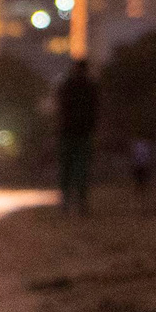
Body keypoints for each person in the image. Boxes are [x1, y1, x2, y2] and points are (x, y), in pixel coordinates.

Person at [54, 60, 97, 216]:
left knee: (70, 169)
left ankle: (69, 203)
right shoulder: (89, 87)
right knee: (79, 169)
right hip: (80, 133)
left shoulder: (68, 86)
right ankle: (78, 203)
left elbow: (60, 109)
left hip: (72, 133)